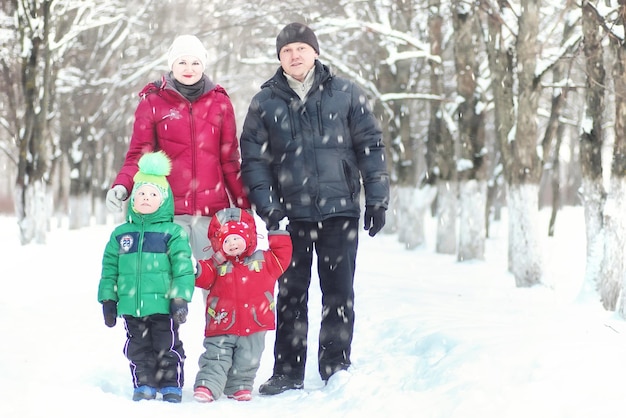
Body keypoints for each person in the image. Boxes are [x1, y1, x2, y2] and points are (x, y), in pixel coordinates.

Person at [239, 22, 390, 395]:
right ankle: (288, 371)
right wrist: (268, 207)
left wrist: (377, 197)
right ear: (279, 58)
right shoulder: (265, 102)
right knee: (291, 294)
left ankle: (336, 365)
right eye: (287, 51)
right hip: (290, 217)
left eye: (301, 49)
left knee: (338, 293)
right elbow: (253, 161)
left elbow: (369, 145)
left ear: (315, 52)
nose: (295, 56)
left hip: (340, 213)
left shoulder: (344, 93)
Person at [105, 34, 250, 260]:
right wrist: (122, 186)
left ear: (203, 65)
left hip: (212, 213)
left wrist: (245, 203)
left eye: (195, 62)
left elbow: (230, 160)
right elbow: (138, 155)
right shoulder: (153, 101)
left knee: (216, 284)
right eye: (182, 61)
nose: (188, 68)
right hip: (167, 213)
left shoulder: (220, 103)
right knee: (170, 285)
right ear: (172, 64)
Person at [98, 151, 196, 403]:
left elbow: (183, 268)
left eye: (153, 194)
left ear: (163, 200)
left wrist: (180, 298)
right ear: (132, 199)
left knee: (167, 345)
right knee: (138, 348)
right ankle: (144, 382)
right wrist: (108, 299)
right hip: (132, 306)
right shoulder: (121, 234)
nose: (145, 198)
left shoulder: (172, 233)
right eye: (141, 193)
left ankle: (171, 383)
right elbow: (109, 268)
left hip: (163, 306)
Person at [192, 208, 292, 402]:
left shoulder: (264, 260)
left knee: (249, 357)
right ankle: (208, 385)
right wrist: (195, 268)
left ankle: (240, 385)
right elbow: (203, 277)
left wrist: (278, 233)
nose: (232, 244)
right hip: (222, 322)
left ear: (249, 237)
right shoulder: (216, 264)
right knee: (216, 356)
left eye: (237, 238)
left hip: (255, 322)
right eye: (226, 240)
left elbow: (282, 256)